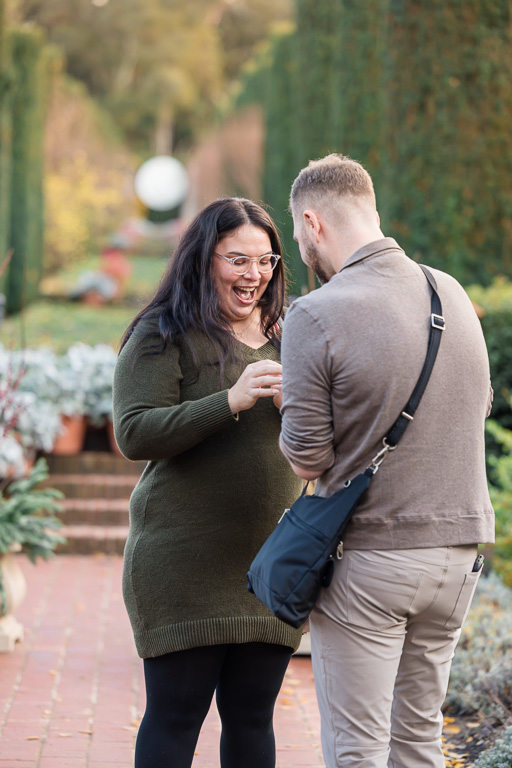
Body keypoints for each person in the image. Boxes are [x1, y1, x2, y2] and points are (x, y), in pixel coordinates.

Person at [278, 154, 494, 768]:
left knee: (358, 750)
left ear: (314, 223)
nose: (302, 251)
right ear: (373, 211)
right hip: (458, 555)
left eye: (298, 237)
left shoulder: (315, 313)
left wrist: (287, 407)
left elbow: (308, 456)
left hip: (373, 558)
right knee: (419, 743)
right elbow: (470, 410)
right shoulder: (448, 290)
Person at [112, 198, 303, 768]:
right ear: (203, 259)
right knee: (175, 720)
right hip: (182, 566)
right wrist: (230, 400)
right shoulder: (163, 332)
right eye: (238, 261)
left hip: (270, 568)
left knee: (252, 721)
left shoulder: (290, 335)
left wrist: (307, 412)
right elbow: (135, 433)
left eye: (266, 261)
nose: (255, 276)